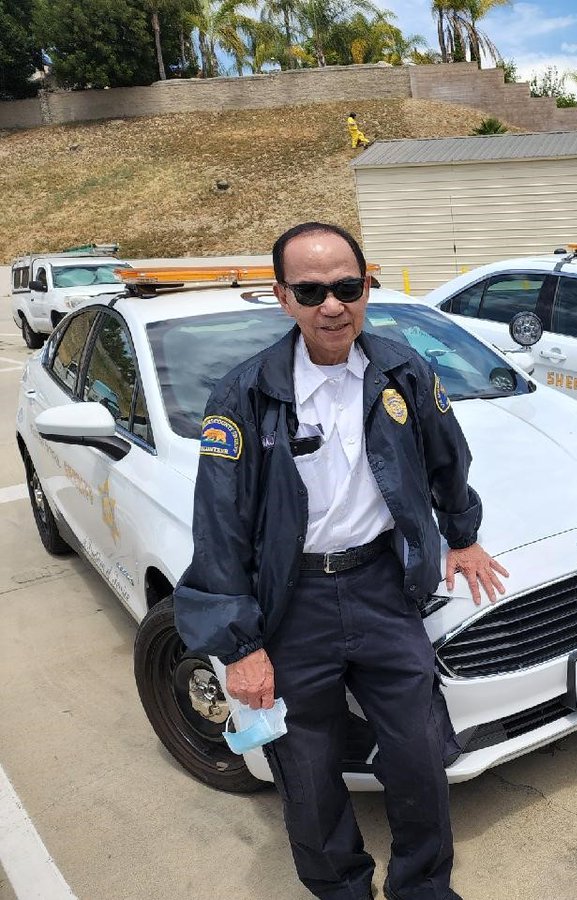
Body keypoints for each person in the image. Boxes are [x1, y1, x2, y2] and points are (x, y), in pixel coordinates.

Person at [174, 222, 508, 900]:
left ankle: (423, 887)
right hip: (292, 604)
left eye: (347, 287)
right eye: (311, 291)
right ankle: (341, 889)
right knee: (308, 769)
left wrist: (463, 534)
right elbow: (219, 526)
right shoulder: (244, 395)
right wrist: (240, 644)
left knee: (419, 753)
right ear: (283, 297)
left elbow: (447, 457)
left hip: (384, 589)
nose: (332, 305)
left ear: (366, 288)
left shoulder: (403, 371)